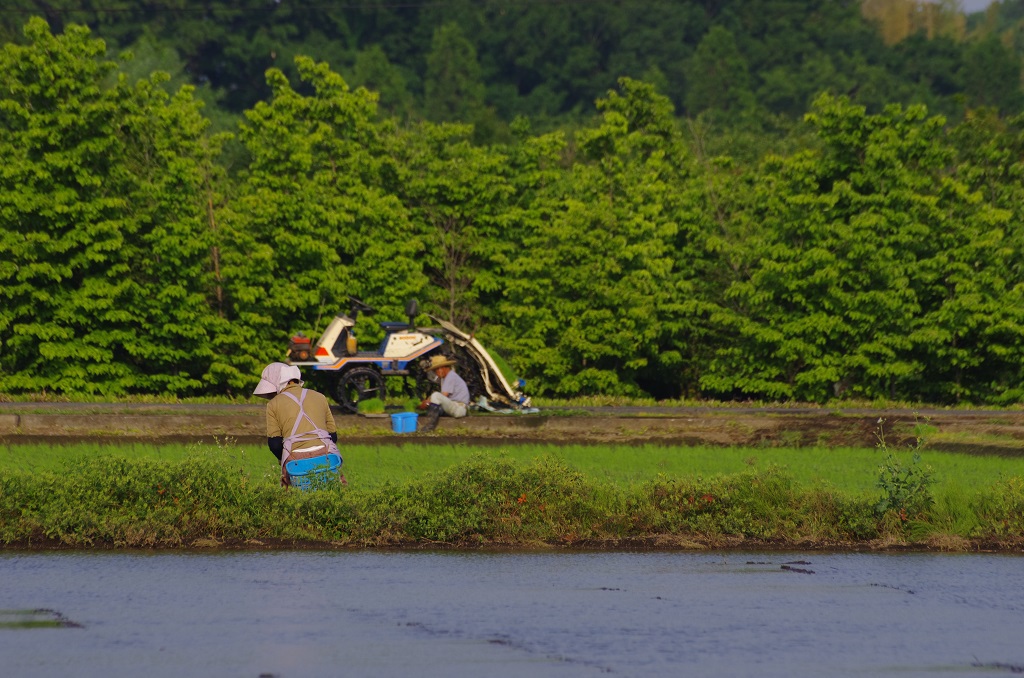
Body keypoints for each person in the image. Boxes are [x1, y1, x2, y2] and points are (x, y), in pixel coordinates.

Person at [253, 362, 342, 486]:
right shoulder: (320, 397)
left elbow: (275, 445)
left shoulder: (273, 404)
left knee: (289, 494)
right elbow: (333, 436)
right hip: (327, 457)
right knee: (335, 491)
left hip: (295, 462)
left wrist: (286, 456)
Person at [418, 355, 470, 432]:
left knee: (436, 395)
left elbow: (443, 396)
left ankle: (430, 426)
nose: (436, 373)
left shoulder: (450, 377)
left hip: (459, 408)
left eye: (436, 371)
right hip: (456, 406)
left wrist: (427, 403)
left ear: (441, 369)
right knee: (435, 400)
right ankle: (430, 423)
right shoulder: (446, 378)